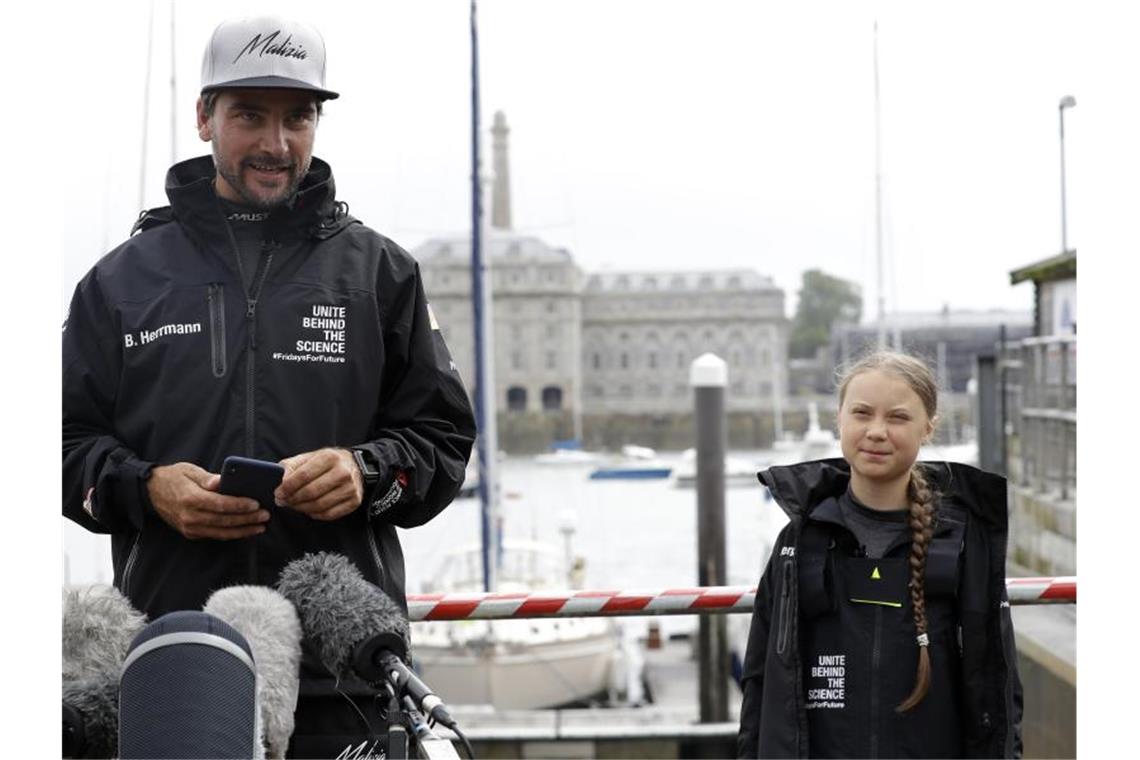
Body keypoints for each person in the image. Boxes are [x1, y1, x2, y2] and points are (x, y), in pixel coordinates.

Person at [62, 15, 476, 757]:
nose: (275, 144)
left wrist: (367, 470)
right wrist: (145, 487)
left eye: (298, 117)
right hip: (169, 664)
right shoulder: (119, 282)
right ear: (205, 118)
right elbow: (56, 448)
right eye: (250, 115)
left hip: (345, 675)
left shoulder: (381, 274)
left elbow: (442, 443)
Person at [737, 350, 1023, 758]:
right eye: (862, 413)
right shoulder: (798, 542)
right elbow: (761, 677)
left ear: (929, 427)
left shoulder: (963, 542)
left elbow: (999, 682)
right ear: (840, 419)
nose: (876, 431)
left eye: (897, 417)